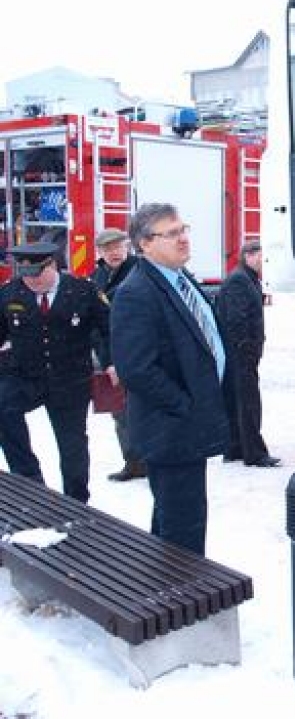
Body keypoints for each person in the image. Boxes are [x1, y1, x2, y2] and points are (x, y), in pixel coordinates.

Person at [110, 203, 229, 556]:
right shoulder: (136, 292)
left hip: (189, 425)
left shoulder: (179, 277)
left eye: (183, 229)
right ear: (145, 244)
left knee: (173, 519)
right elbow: (136, 368)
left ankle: (165, 594)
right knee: (184, 529)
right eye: (172, 233)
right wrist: (186, 405)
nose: (183, 239)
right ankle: (183, 600)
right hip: (172, 430)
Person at [0, 241, 111, 503]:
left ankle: (76, 500)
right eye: (25, 274)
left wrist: (111, 361)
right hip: (25, 375)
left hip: (69, 379)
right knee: (3, 409)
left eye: (37, 273)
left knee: (72, 445)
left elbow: (108, 329)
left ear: (52, 265)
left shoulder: (82, 291)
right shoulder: (9, 294)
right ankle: (29, 482)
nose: (32, 281)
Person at [215, 240, 279, 468]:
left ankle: (235, 448)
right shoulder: (239, 281)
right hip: (240, 355)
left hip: (240, 355)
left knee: (236, 401)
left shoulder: (248, 279)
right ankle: (255, 453)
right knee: (248, 403)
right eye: (262, 256)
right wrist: (247, 349)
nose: (265, 261)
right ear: (248, 256)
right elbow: (236, 321)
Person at [90, 227, 146, 482]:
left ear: (127, 247)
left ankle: (150, 460)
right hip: (109, 354)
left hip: (137, 352)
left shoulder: (139, 271)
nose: (114, 252)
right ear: (99, 252)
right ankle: (133, 462)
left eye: (118, 246)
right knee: (119, 411)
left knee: (142, 410)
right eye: (108, 248)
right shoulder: (97, 276)